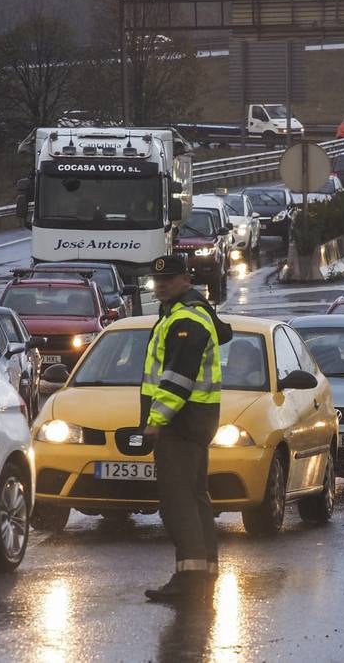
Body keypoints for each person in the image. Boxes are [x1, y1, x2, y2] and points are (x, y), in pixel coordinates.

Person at [141, 254, 233, 604]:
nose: (161, 284)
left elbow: (177, 378)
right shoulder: (188, 313)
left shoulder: (185, 320)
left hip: (180, 423)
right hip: (195, 420)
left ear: (186, 281)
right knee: (195, 499)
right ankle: (203, 572)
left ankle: (190, 580)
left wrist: (156, 421)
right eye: (156, 280)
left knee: (178, 503)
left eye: (170, 279)